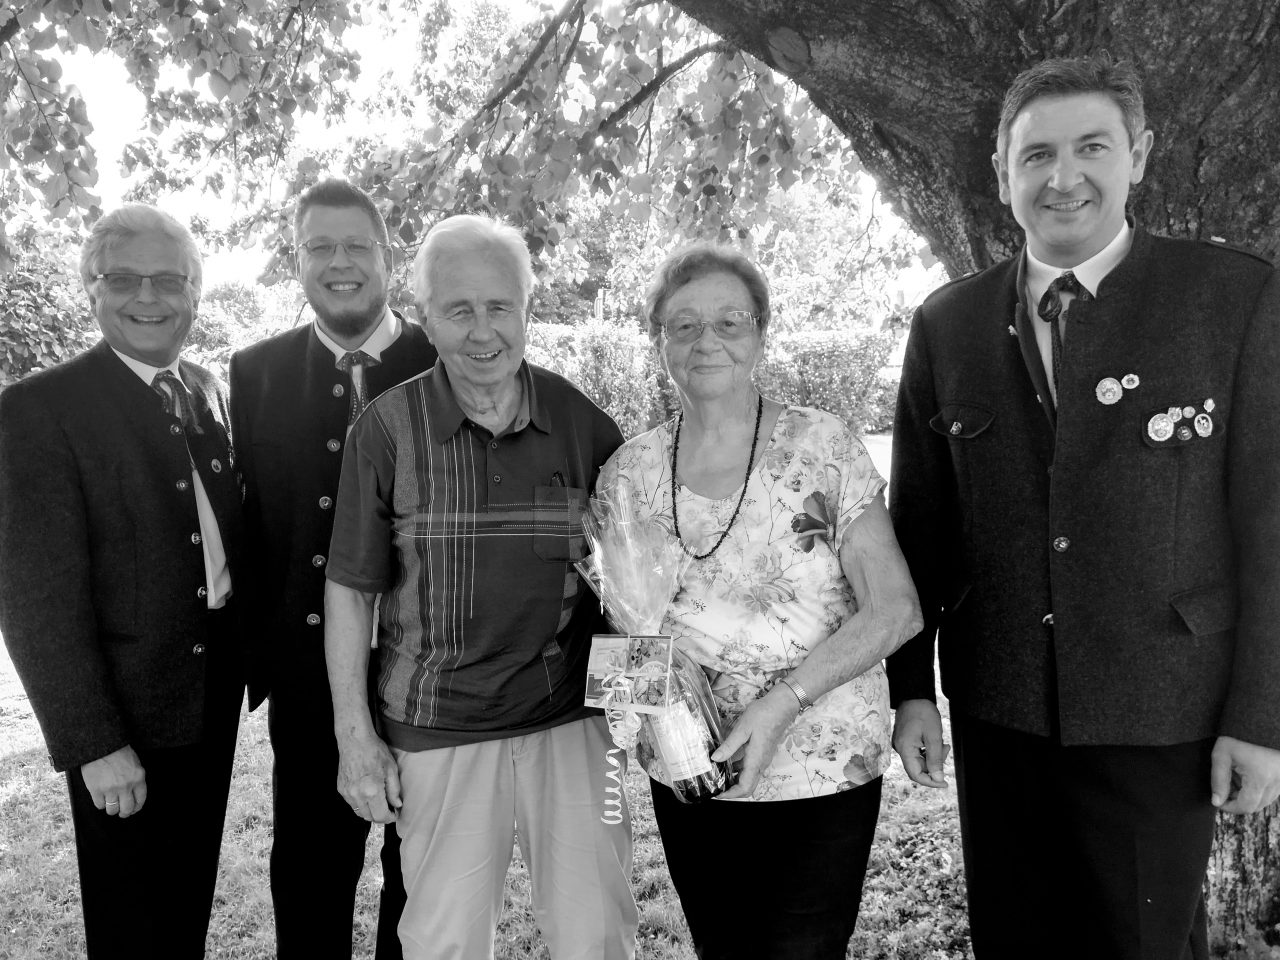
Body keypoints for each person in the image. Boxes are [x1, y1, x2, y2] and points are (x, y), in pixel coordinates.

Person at [888, 53, 1280, 960]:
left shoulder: (1234, 299)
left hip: (1163, 708)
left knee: (1144, 943)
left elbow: (1271, 524)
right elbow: (921, 527)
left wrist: (1262, 720)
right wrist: (910, 690)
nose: (1063, 178)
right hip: (1002, 708)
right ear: (1002, 175)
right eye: (1037, 156)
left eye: (1091, 147)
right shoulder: (947, 324)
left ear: (1137, 156)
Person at [323, 213, 636, 959]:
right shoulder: (387, 431)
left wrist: (632, 713)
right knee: (443, 944)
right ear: (426, 317)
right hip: (437, 729)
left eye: (500, 306)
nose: (483, 330)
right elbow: (351, 591)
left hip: (574, 724)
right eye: (459, 309)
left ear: (528, 310)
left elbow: (630, 590)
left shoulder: (581, 422)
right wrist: (354, 737)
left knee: (597, 936)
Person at [595, 244, 922, 960]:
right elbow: (623, 628)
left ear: (761, 333)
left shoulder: (824, 445)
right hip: (691, 767)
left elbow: (896, 609)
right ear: (658, 341)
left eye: (729, 321)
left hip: (821, 759)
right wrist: (644, 713)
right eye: (683, 325)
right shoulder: (628, 472)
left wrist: (782, 703)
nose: (706, 340)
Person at [0, 205, 245, 958]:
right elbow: (34, 598)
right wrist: (93, 742)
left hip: (210, 694)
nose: (149, 296)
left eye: (169, 279)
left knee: (188, 897)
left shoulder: (204, 389)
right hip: (123, 712)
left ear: (195, 291)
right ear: (92, 288)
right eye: (124, 279)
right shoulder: (38, 409)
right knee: (131, 919)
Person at [229, 179, 435, 960]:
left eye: (356, 245)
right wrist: (266, 658)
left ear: (389, 256)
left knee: (421, 882)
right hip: (309, 679)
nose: (338, 262)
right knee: (310, 876)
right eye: (320, 246)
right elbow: (250, 523)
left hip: (430, 673)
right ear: (298, 259)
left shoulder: (445, 357)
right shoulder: (255, 372)